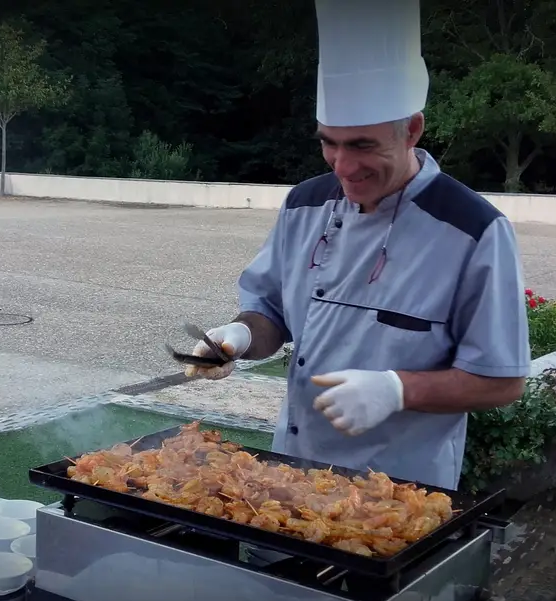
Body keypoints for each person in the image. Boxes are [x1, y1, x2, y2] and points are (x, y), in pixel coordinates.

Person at [184, 0, 531, 492]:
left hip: (399, 496)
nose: (343, 167)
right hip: (289, 475)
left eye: (363, 145)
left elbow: (503, 380)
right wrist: (236, 338)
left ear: (412, 128)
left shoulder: (473, 231)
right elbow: (271, 316)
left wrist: (398, 390)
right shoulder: (305, 205)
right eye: (330, 143)